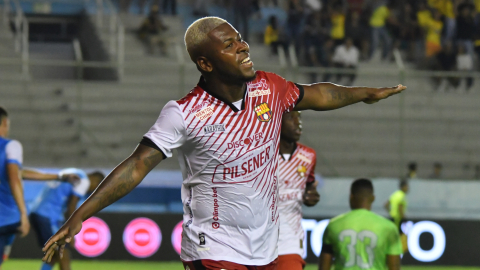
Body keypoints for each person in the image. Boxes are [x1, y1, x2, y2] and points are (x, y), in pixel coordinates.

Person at [42, 17, 406, 269]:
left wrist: (364, 94)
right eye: (230, 46)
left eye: (240, 39)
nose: (244, 47)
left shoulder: (269, 87)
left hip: (266, 248)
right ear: (206, 62)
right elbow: (136, 166)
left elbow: (320, 94)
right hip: (212, 246)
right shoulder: (185, 113)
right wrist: (79, 217)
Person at [319, 179, 402, 270]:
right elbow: (394, 267)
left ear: (351, 197)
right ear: (373, 198)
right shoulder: (389, 227)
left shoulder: (333, 225)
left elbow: (324, 267)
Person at [30, 169, 104, 270]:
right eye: (95, 188)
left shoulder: (72, 172)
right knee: (63, 253)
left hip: (37, 212)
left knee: (54, 255)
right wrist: (71, 230)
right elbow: (72, 205)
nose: (91, 191)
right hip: (48, 216)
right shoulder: (84, 181)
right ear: (96, 181)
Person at [277, 111, 320, 270]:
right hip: (257, 238)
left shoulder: (308, 155)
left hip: (290, 239)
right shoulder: (262, 154)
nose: (298, 122)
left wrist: (312, 197)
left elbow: (309, 188)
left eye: (299, 117)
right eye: (291, 118)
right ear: (277, 123)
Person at [0, 107, 29, 270]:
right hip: (5, 218)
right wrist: (23, 213)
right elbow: (14, 177)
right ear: (5, 122)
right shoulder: (11, 146)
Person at [384, 179, 409, 252]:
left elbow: (386, 205)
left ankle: (394, 251)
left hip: (392, 218)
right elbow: (400, 207)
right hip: (398, 219)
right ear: (403, 187)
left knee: (393, 236)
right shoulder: (402, 195)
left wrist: (391, 212)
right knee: (400, 236)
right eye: (407, 186)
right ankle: (400, 251)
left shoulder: (394, 194)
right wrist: (403, 216)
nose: (408, 188)